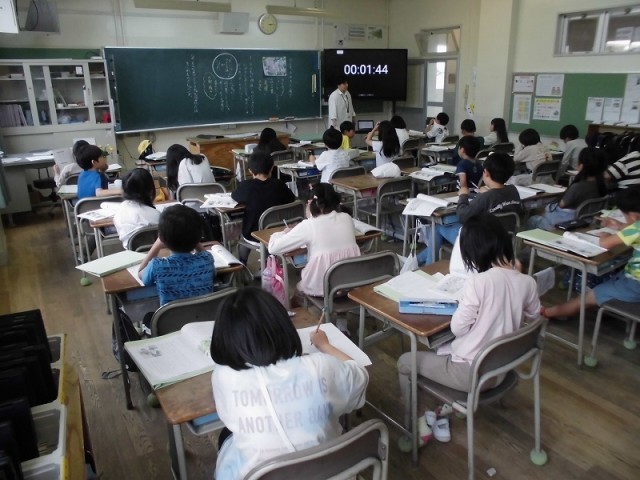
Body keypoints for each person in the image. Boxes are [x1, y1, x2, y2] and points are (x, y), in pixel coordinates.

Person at [399, 214, 539, 441]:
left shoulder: (479, 282)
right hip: (503, 368)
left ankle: (411, 427)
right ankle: (443, 408)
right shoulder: (527, 282)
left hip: (472, 374)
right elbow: (534, 315)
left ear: (472, 252)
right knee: (443, 348)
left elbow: (457, 328)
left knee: (406, 361)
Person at [211, 287, 368, 480]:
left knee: (227, 435)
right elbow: (360, 375)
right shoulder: (319, 367)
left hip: (258, 474)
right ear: (283, 325)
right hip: (331, 473)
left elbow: (231, 419)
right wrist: (325, 346)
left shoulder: (224, 376)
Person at [542, 186, 640, 319]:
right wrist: (620, 226)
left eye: (625, 216)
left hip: (635, 285)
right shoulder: (635, 227)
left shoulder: (636, 228)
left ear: (634, 216)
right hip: (631, 277)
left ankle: (547, 313)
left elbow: (605, 244)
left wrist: (605, 235)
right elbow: (633, 229)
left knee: (587, 298)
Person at [417, 152, 522, 265]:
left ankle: (428, 265)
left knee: (438, 227)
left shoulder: (486, 197)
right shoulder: (513, 191)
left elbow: (463, 215)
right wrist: (488, 192)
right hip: (504, 240)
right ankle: (418, 260)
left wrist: (463, 196)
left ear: (486, 173)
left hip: (480, 244)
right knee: (442, 233)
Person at [268, 183, 360, 297]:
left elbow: (273, 248)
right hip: (350, 281)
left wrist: (282, 233)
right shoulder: (346, 218)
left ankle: (298, 307)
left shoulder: (309, 225)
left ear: (311, 203)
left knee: (298, 290)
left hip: (321, 285)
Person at [138, 204, 214, 306]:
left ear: (162, 238)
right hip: (205, 315)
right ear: (199, 237)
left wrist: (157, 245)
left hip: (171, 317)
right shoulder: (207, 260)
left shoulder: (157, 265)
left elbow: (141, 273)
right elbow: (210, 265)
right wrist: (194, 240)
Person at [232, 151, 296, 265]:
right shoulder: (279, 185)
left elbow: (234, 196)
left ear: (250, 170)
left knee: (243, 235)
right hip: (279, 234)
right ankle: (269, 262)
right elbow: (292, 199)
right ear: (272, 168)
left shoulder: (246, 186)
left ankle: (242, 263)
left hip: (254, 236)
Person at [527, 147, 608, 231]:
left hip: (565, 224)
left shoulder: (577, 187)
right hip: (586, 222)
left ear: (581, 166)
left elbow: (562, 204)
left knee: (533, 220)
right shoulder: (602, 185)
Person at [113, 168, 161, 249]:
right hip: (156, 252)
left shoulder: (120, 210)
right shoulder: (154, 214)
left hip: (130, 252)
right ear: (150, 189)